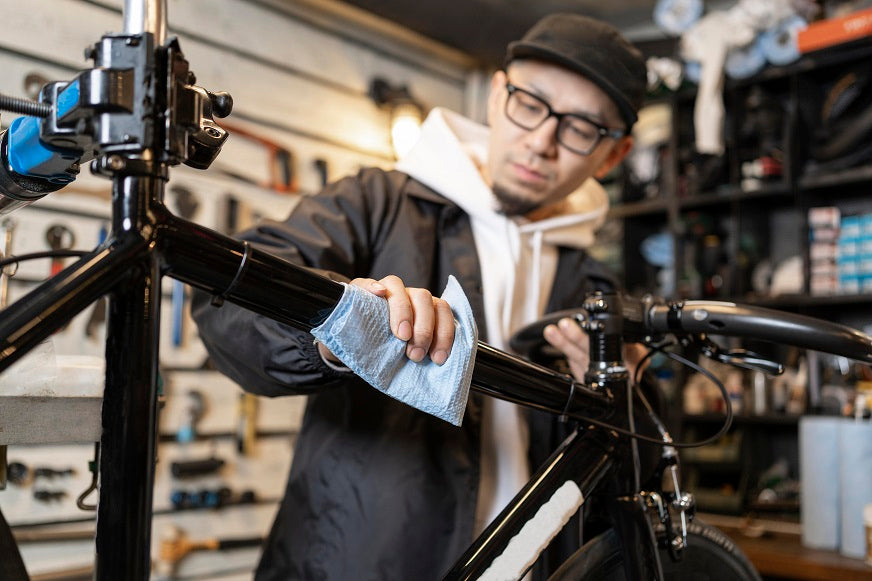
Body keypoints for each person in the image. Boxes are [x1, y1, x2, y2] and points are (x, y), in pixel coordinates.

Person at [191, 13, 648, 581]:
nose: (542, 141)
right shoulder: (376, 203)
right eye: (530, 103)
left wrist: (625, 400)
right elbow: (227, 307)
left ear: (613, 154)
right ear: (497, 95)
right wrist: (340, 328)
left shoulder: (597, 288)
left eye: (581, 128)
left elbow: (636, 479)